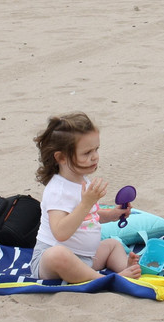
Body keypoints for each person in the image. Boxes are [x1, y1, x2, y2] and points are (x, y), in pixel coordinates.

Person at [30, 112, 141, 283]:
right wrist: (86, 203)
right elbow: (60, 232)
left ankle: (124, 267)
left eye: (96, 149)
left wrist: (111, 215)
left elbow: (88, 217)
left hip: (86, 258)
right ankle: (105, 279)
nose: (95, 156)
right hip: (52, 260)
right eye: (87, 152)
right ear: (61, 157)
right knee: (58, 255)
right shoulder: (58, 190)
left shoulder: (82, 180)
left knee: (113, 245)